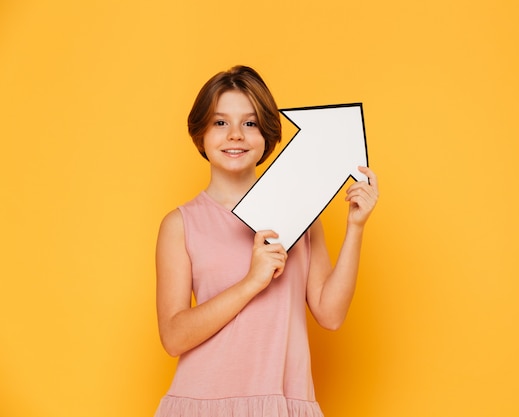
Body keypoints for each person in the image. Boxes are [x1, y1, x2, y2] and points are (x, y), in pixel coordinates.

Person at [154, 65, 379, 417]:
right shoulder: (181, 224)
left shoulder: (302, 215)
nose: (235, 136)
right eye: (220, 122)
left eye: (250, 123)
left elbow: (331, 315)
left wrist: (356, 228)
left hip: (282, 403)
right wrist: (252, 282)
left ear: (266, 134)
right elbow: (173, 336)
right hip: (205, 404)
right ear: (201, 133)